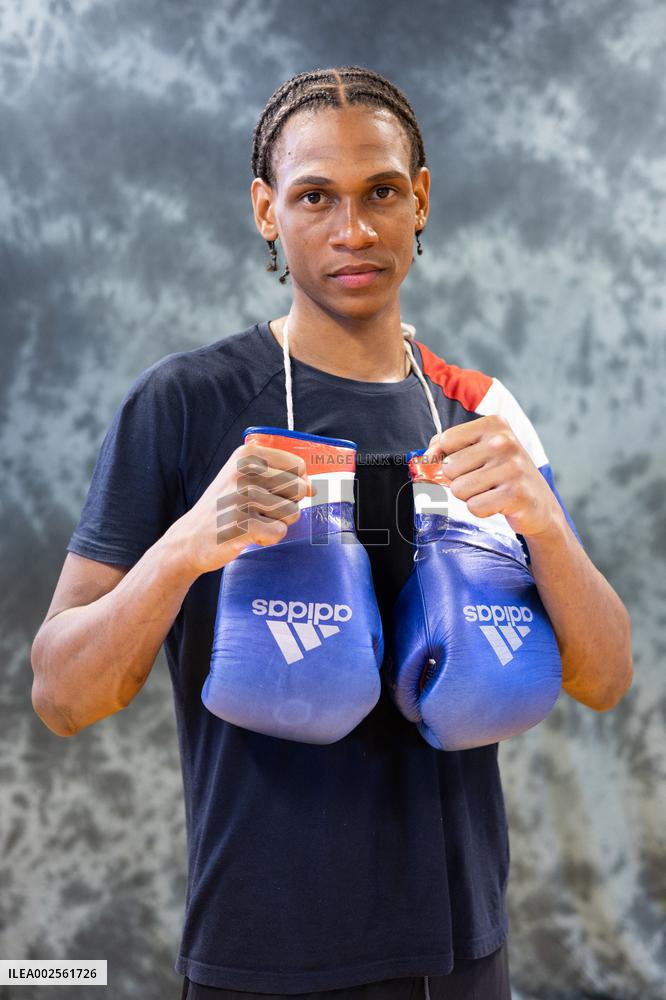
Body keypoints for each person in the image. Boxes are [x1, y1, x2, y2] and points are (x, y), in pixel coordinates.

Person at [31, 66, 633, 1000]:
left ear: (420, 198)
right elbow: (61, 694)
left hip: (466, 955)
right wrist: (189, 543)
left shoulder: (479, 411)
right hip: (266, 955)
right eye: (315, 197)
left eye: (381, 192)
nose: (353, 231)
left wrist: (546, 526)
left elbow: (605, 676)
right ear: (267, 211)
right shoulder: (186, 404)